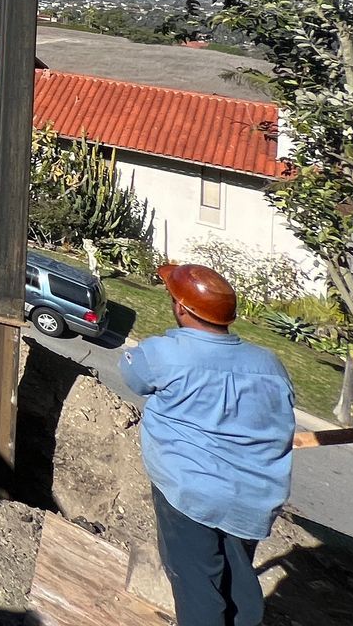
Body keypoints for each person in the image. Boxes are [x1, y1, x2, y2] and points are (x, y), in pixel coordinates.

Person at [118, 262, 294, 625]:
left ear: (181, 308)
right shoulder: (269, 363)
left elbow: (133, 375)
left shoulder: (167, 353)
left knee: (198, 588)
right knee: (239, 585)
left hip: (189, 492)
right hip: (252, 496)